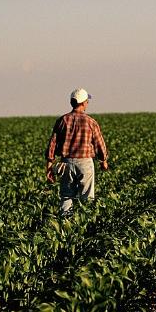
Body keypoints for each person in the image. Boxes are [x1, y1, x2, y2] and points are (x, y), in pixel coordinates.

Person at [45, 88, 109, 216]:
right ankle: (86, 225)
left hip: (66, 163)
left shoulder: (62, 120)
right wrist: (103, 161)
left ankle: (64, 224)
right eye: (87, 101)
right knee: (87, 198)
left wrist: (49, 167)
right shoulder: (91, 122)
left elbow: (52, 144)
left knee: (66, 196)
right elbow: (100, 144)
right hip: (85, 163)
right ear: (84, 103)